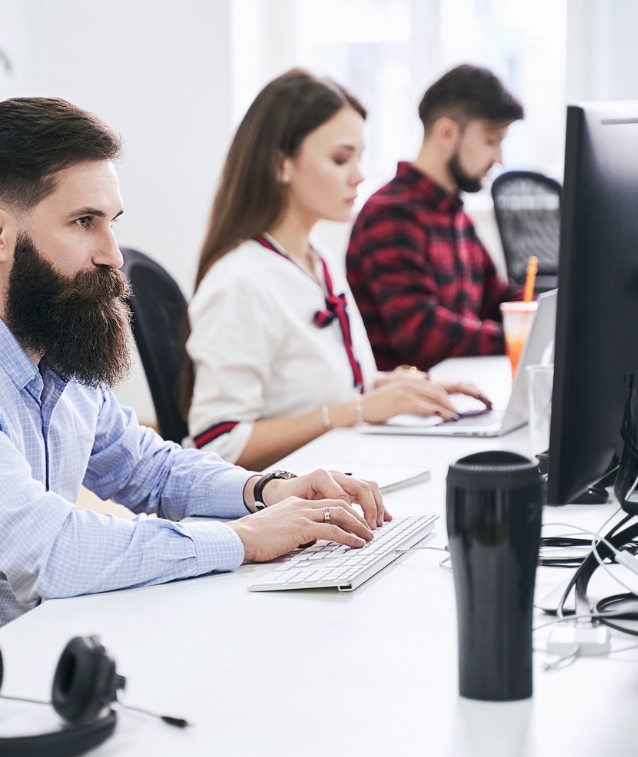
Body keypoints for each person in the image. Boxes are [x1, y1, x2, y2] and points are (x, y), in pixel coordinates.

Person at [0, 97, 390, 757]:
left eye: (111, 222)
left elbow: (147, 466)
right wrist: (242, 539)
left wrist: (266, 492)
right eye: (84, 222)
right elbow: (49, 553)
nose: (113, 254)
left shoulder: (53, 346)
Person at [184, 69, 488, 471]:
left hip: (337, 474)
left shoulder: (316, 258)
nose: (359, 175)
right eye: (340, 158)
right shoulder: (240, 282)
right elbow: (217, 446)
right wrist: (357, 410)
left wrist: (404, 388)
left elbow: (318, 386)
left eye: (360, 158)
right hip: (282, 509)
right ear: (281, 165)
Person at [346, 64, 527, 370]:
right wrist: (516, 337)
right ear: (447, 133)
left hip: (453, 392)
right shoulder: (390, 214)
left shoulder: (454, 213)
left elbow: (494, 296)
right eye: (490, 140)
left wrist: (554, 313)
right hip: (408, 409)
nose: (499, 158)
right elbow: (420, 331)